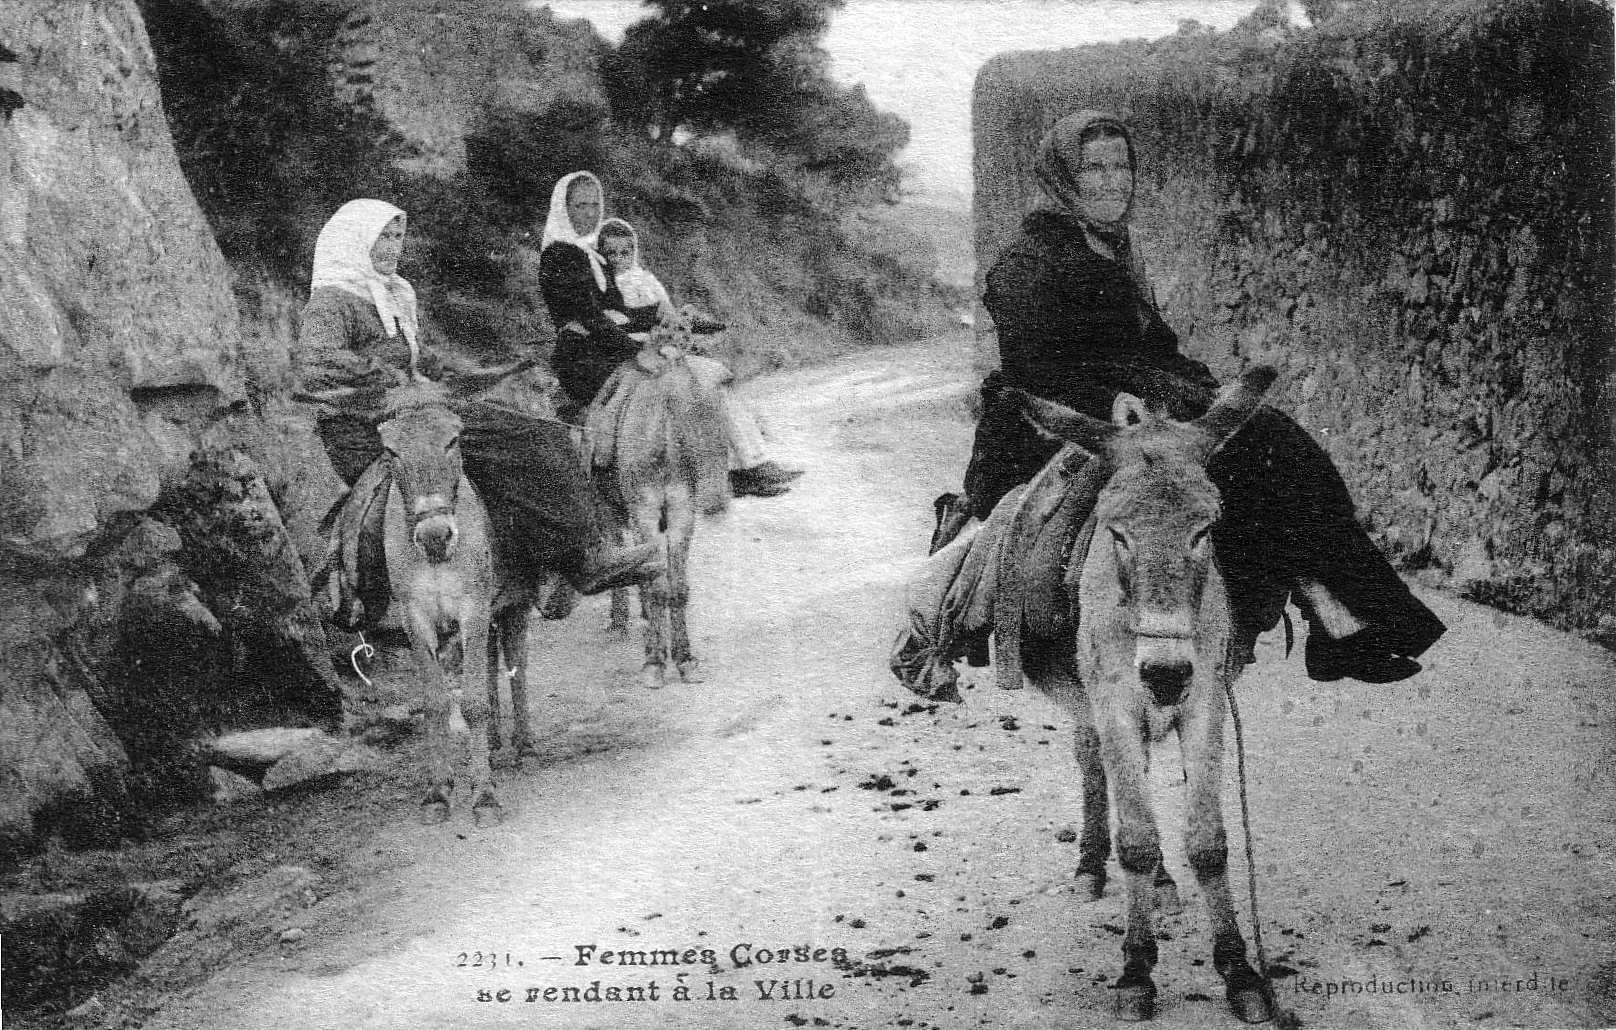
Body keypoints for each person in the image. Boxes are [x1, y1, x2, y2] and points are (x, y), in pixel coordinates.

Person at [960, 110, 1446, 684]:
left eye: (1123, 166)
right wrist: (1108, 399)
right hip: (1057, 424)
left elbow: (1157, 348)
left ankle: (1342, 615)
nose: (1114, 180)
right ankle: (1333, 613)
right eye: (1095, 168)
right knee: (1255, 454)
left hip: (1144, 408)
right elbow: (1031, 367)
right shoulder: (1027, 259)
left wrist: (1208, 396)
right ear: (1064, 176)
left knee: (1272, 435)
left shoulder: (1116, 251)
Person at [296, 198, 663, 626]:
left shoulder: (394, 294)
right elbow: (316, 364)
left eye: (398, 236)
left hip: (413, 412)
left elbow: (419, 360)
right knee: (531, 439)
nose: (394, 247)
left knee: (540, 433)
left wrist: (476, 371)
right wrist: (385, 373)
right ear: (356, 241)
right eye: (384, 237)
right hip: (364, 424)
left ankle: (547, 563)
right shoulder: (332, 301)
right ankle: (581, 560)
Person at [538, 173, 802, 497]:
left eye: (595, 205)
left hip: (607, 345)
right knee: (694, 376)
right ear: (563, 209)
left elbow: (617, 312)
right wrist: (639, 344)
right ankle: (738, 470)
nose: (590, 213)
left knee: (710, 376)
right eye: (580, 206)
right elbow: (592, 319)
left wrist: (663, 316)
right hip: (583, 358)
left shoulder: (594, 255)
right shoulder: (560, 255)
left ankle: (747, 465)